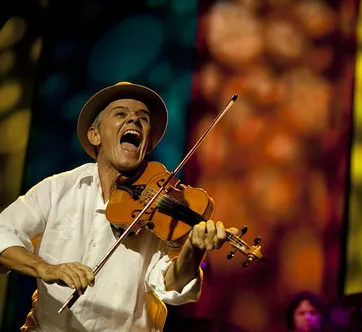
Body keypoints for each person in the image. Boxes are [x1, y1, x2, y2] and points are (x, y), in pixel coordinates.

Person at [0, 82, 236, 331]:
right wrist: (45, 268)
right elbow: (3, 233)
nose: (134, 120)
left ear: (148, 143)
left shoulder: (165, 211)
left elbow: (171, 287)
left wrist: (193, 250)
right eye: (121, 114)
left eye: (143, 119)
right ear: (95, 135)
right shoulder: (58, 188)